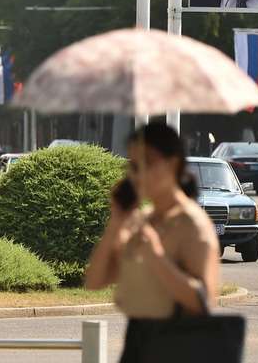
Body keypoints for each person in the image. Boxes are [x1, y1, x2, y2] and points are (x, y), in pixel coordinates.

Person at [84, 122, 220, 362]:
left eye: (148, 162)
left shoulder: (193, 224)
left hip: (177, 347)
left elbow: (204, 301)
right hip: (138, 342)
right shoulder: (141, 221)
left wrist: (157, 257)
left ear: (174, 163)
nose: (139, 174)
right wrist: (116, 222)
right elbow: (95, 280)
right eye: (133, 166)